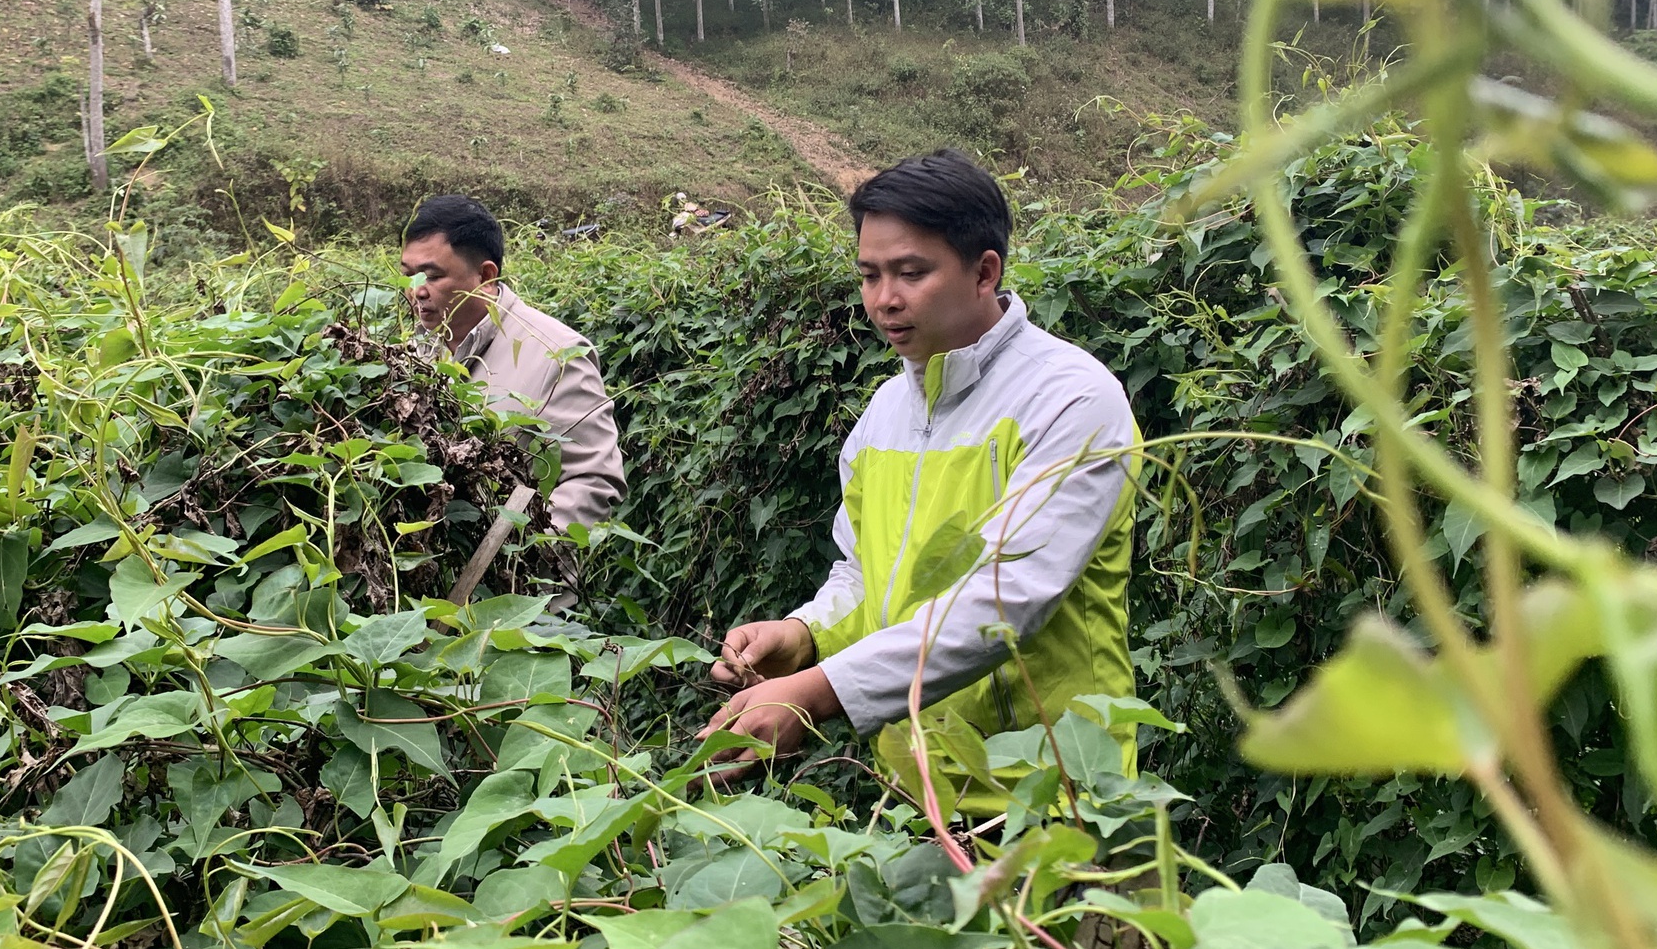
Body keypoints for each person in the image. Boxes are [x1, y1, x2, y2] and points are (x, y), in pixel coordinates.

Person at [702, 150, 1139, 783]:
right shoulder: (884, 412)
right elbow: (864, 574)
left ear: (984, 271)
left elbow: (1004, 599)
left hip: (1052, 789)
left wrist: (818, 692)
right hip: (915, 789)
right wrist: (802, 636)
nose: (884, 300)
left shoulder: (1069, 397)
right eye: (869, 275)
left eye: (910, 272)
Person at [399, 195, 627, 596]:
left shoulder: (556, 353)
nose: (416, 291)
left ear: (485, 276)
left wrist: (520, 572)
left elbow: (593, 478)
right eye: (410, 275)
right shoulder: (419, 348)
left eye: (432, 276)